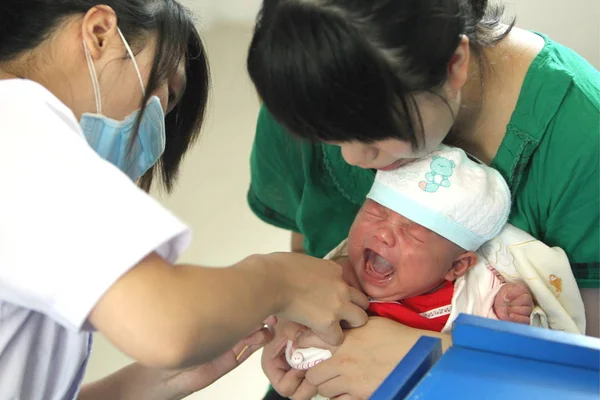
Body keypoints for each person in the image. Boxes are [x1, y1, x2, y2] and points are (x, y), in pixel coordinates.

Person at [0, 1, 370, 399]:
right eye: (167, 93)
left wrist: (154, 380)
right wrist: (283, 280)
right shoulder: (16, 120)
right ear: (100, 33)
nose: (155, 127)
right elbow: (163, 324)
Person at [246, 0, 599, 398]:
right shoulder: (308, 89)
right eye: (326, 137)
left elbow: (582, 369)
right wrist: (296, 318)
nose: (351, 158)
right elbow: (307, 237)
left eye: (369, 132)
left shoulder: (582, 141)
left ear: (455, 64)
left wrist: (435, 357)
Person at [282, 147, 585, 385]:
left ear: (456, 267)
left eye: (412, 231)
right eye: (375, 213)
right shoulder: (336, 286)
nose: (384, 233)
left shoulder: (477, 294)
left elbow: (514, 365)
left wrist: (509, 314)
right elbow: (302, 352)